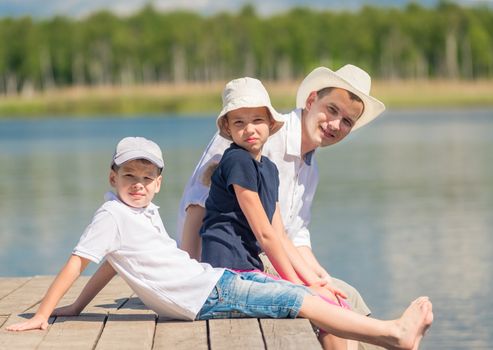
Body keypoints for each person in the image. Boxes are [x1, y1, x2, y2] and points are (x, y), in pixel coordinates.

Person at [6, 136, 433, 350]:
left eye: (146, 177)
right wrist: (44, 314)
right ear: (112, 177)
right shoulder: (111, 214)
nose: (137, 185)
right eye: (128, 176)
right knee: (298, 300)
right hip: (204, 296)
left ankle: (386, 335)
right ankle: (393, 333)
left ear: (159, 183)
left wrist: (79, 307)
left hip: (210, 281)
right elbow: (77, 262)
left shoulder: (140, 213)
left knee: (304, 292)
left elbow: (114, 264)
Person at [179, 64, 386, 349]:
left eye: (347, 122)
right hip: (228, 265)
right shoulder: (252, 131)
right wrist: (187, 279)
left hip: (266, 259)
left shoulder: (308, 169)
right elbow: (197, 205)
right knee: (333, 304)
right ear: (311, 101)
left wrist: (320, 278)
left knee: (344, 295)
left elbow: (295, 235)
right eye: (332, 110)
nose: (335, 125)